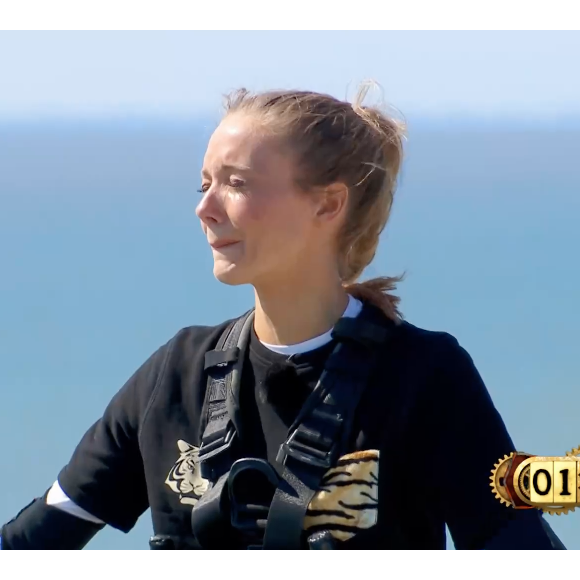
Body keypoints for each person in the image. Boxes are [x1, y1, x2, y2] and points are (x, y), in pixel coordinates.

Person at [0, 83, 567, 550]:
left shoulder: (425, 377)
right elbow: (36, 537)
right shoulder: (175, 376)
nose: (205, 207)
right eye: (204, 185)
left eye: (236, 184)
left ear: (328, 203)